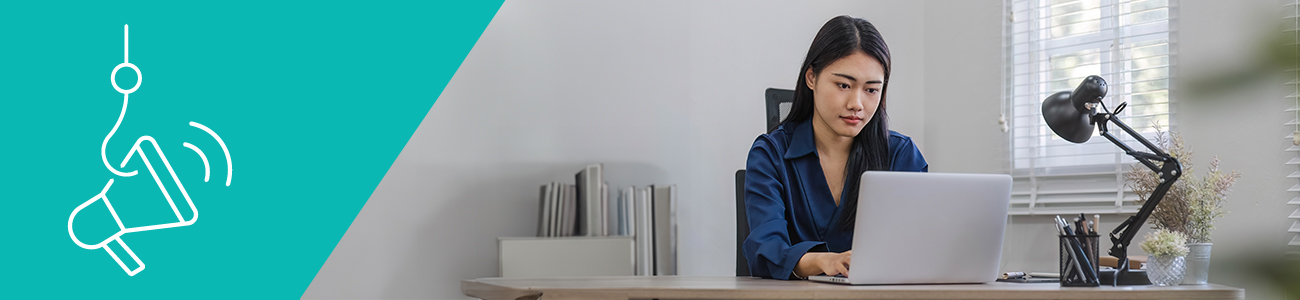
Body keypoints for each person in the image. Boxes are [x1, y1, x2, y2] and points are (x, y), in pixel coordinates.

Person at [742, 15, 928, 280]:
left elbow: (922, 246)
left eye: (871, 90)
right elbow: (765, 249)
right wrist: (824, 261)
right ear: (811, 78)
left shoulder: (901, 155)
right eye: (843, 85)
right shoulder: (771, 155)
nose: (857, 103)